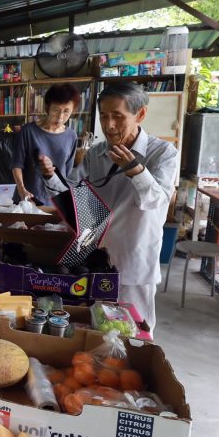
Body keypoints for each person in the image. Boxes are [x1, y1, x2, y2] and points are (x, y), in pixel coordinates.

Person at [38, 83, 178, 332]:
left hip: (134, 260)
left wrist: (136, 170)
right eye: (104, 116)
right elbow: (72, 192)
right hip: (94, 257)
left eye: (118, 117)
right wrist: (50, 176)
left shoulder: (163, 153)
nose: (109, 125)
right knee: (95, 328)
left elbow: (158, 201)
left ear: (140, 115)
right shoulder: (97, 153)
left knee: (134, 331)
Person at [12, 83, 80, 204]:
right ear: (47, 107)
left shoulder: (71, 136)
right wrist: (21, 189)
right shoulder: (28, 131)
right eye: (56, 110)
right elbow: (17, 164)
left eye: (66, 112)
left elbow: (68, 173)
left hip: (57, 201)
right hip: (28, 198)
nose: (60, 117)